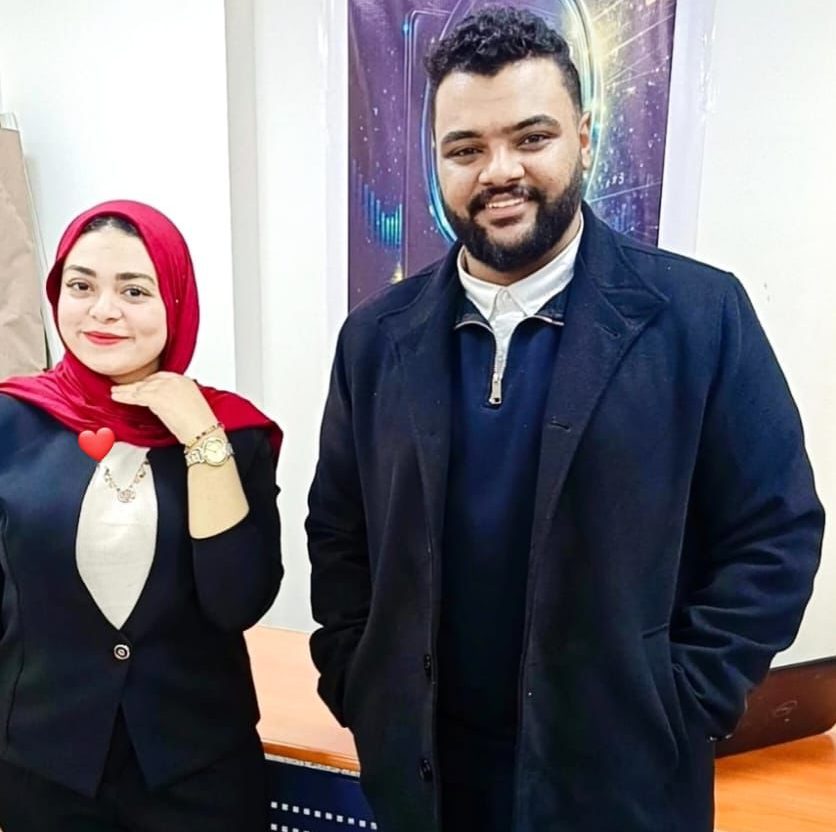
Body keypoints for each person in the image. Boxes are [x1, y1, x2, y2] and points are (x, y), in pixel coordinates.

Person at [306, 7, 824, 832]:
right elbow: (339, 532)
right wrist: (356, 677)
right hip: (428, 784)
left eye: (531, 137)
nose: (499, 171)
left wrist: (683, 701)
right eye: (465, 149)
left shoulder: (698, 316)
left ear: (583, 138)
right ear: (436, 159)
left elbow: (775, 533)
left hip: (623, 785)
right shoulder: (375, 340)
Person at [0, 200, 283, 831]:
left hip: (198, 772)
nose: (103, 310)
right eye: (81, 286)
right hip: (43, 772)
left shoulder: (235, 434)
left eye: (134, 290)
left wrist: (202, 440)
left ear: (175, 301)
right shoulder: (10, 421)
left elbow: (236, 602)